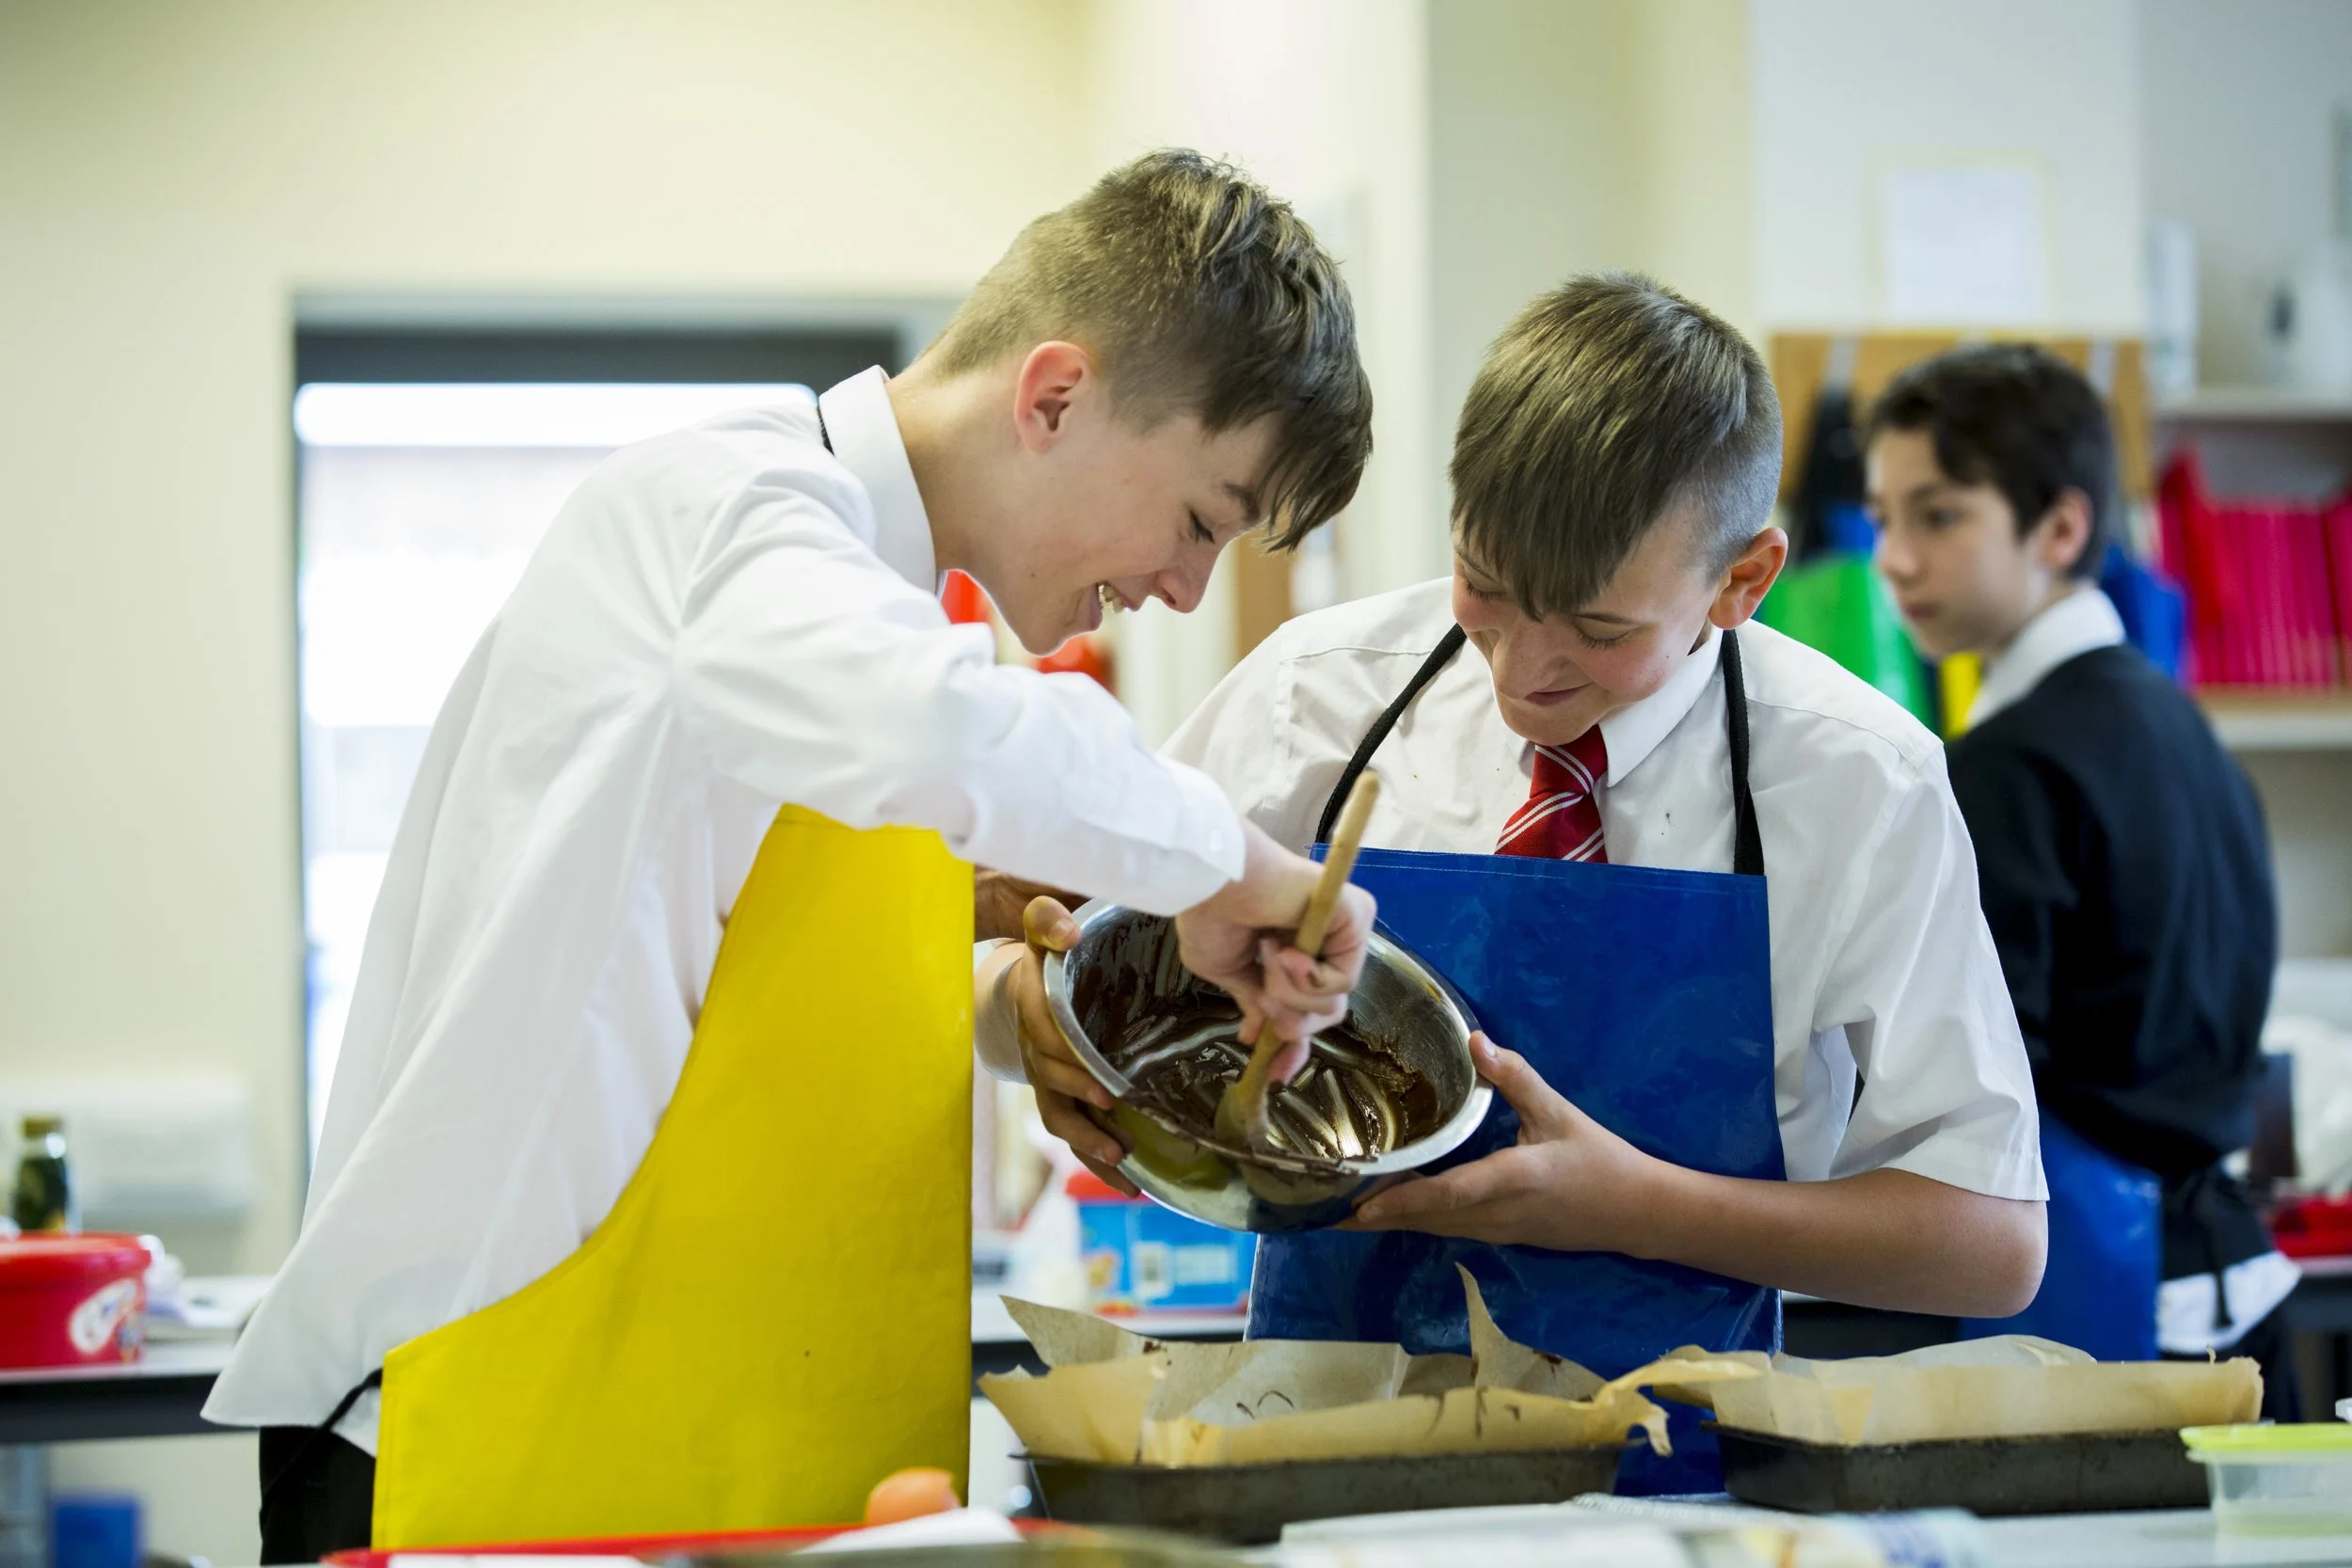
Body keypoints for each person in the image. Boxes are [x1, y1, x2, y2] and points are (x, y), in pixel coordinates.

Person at [211, 150, 1379, 1560]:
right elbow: (934, 727)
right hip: (478, 1430)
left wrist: (1011, 1005)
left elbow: (732, 988)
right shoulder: (731, 514)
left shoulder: (857, 605)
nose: (1189, 585)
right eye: (1200, 517)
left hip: (719, 1437)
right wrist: (1226, 864)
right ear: (1056, 395)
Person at [977, 274, 2047, 1492]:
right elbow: (1050, 949)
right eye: (1485, 584)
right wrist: (1030, 1024)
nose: (1525, 672)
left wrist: (1631, 1204)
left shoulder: (1863, 780)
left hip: (1681, 1485)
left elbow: (1991, 1242)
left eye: (1598, 627)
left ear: (1742, 580)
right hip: (1322, 1465)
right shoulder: (1314, 696)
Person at [1866, 344, 2296, 1414]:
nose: (1892, 558)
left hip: (2103, 1292)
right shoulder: (2181, 726)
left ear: (2058, 528)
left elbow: (1974, 1081)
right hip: (2230, 1276)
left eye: (1937, 515)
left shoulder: (2011, 762)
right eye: (1882, 517)